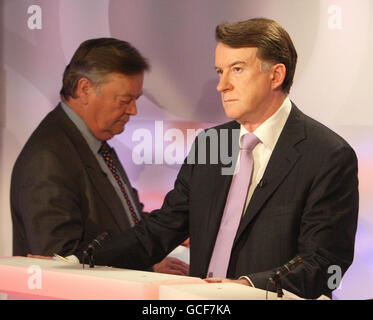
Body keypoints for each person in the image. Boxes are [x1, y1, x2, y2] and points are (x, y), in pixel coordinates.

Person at [78, 18, 358, 299]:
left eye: (236, 69)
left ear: (276, 76)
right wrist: (79, 260)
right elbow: (162, 228)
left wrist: (247, 288)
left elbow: (325, 263)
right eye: (219, 71)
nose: (221, 85)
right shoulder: (212, 144)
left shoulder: (327, 155)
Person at [10, 38, 189, 276]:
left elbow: (121, 217)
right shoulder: (48, 159)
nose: (133, 111)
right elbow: (59, 264)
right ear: (85, 89)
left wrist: (174, 231)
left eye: (136, 100)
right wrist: (147, 266)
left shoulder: (92, 142)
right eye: (125, 100)